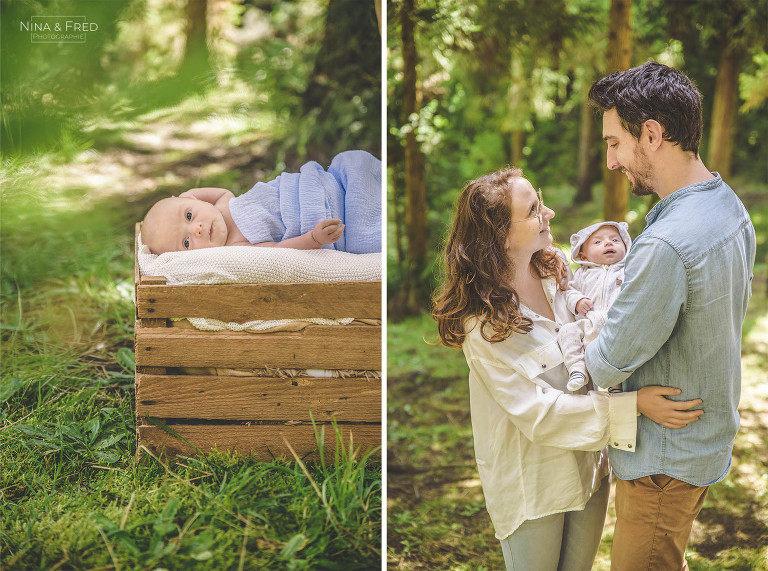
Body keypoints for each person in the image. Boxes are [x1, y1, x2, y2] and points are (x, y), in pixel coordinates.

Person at [432, 167, 704, 571]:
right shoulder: (483, 326)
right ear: (501, 236)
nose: (550, 213)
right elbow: (537, 413)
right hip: (534, 482)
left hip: (590, 465)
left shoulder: (556, 268)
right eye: (534, 210)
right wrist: (634, 407)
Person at [586, 61, 756, 571]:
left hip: (662, 460)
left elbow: (605, 362)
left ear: (652, 135)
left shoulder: (665, 244)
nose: (612, 160)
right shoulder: (728, 207)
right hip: (699, 444)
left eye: (615, 142)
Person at [141, 150, 381, 255]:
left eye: (189, 216)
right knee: (365, 228)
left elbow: (215, 192)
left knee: (357, 170)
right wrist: (315, 239)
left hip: (317, 185)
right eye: (186, 242)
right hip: (323, 216)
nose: (197, 229)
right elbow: (278, 251)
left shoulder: (224, 202)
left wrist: (188, 196)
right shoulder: (236, 248)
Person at [559, 221, 631, 392]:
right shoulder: (583, 274)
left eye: (615, 240)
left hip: (617, 323)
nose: (608, 243)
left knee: (619, 352)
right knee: (567, 332)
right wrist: (577, 301)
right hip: (590, 324)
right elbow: (569, 291)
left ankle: (615, 384)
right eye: (598, 242)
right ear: (583, 256)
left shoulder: (628, 269)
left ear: (626, 246)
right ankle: (577, 369)